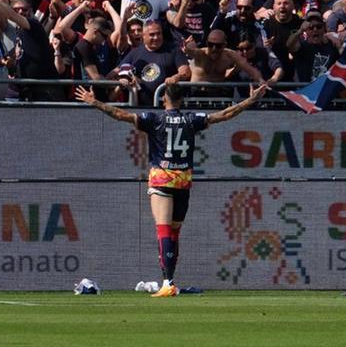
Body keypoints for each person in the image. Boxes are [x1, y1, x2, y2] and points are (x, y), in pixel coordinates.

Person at [75, 82, 268, 297]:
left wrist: (95, 102)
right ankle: (170, 282)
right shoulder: (191, 119)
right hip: (183, 181)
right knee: (174, 233)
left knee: (163, 230)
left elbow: (121, 114)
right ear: (182, 100)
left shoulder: (154, 119)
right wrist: (250, 100)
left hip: (162, 180)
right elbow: (224, 114)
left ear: (164, 98)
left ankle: (167, 282)